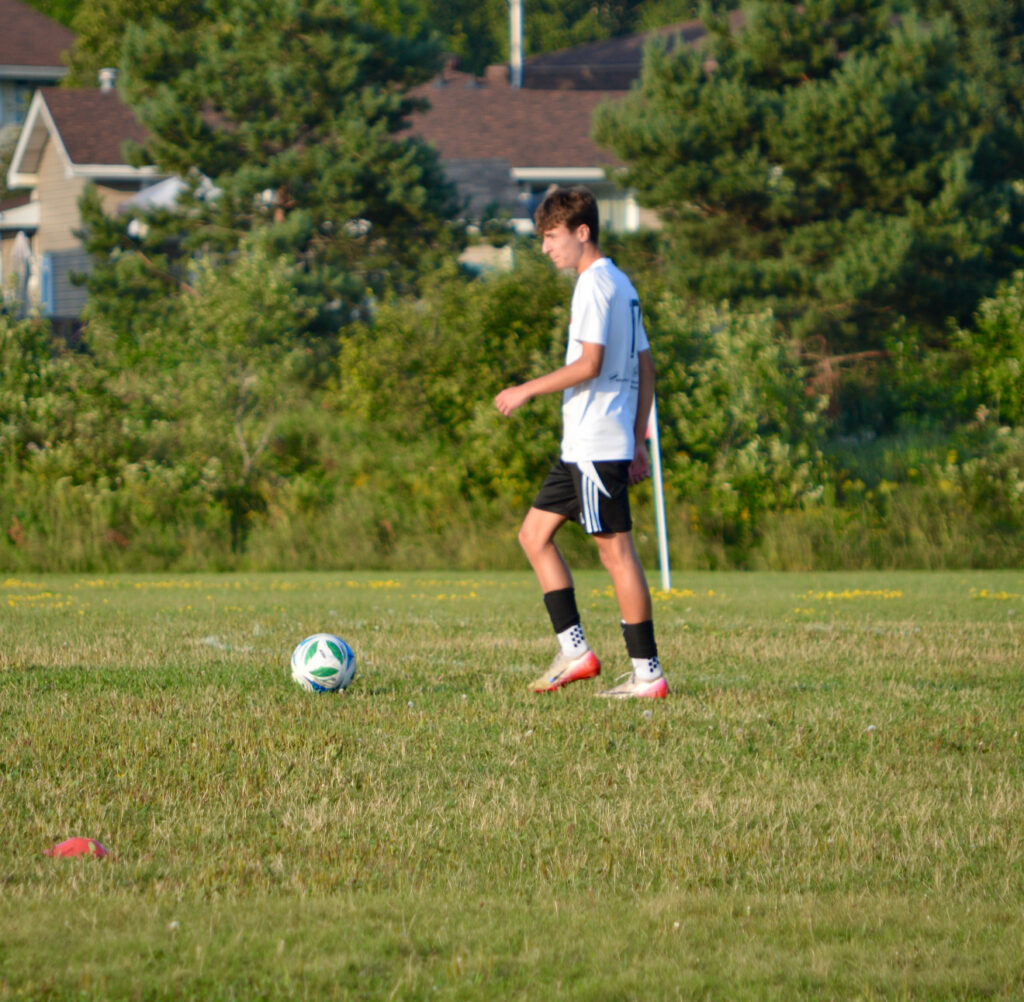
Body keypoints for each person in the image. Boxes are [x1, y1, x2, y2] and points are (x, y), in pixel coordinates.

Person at [494, 186, 667, 699]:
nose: (545, 248)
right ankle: (576, 652)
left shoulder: (594, 285)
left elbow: (589, 364)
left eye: (551, 237)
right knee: (533, 535)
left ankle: (647, 675)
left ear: (581, 232)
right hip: (587, 446)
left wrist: (525, 389)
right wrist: (638, 439)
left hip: (594, 444)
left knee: (617, 555)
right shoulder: (622, 281)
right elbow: (646, 367)